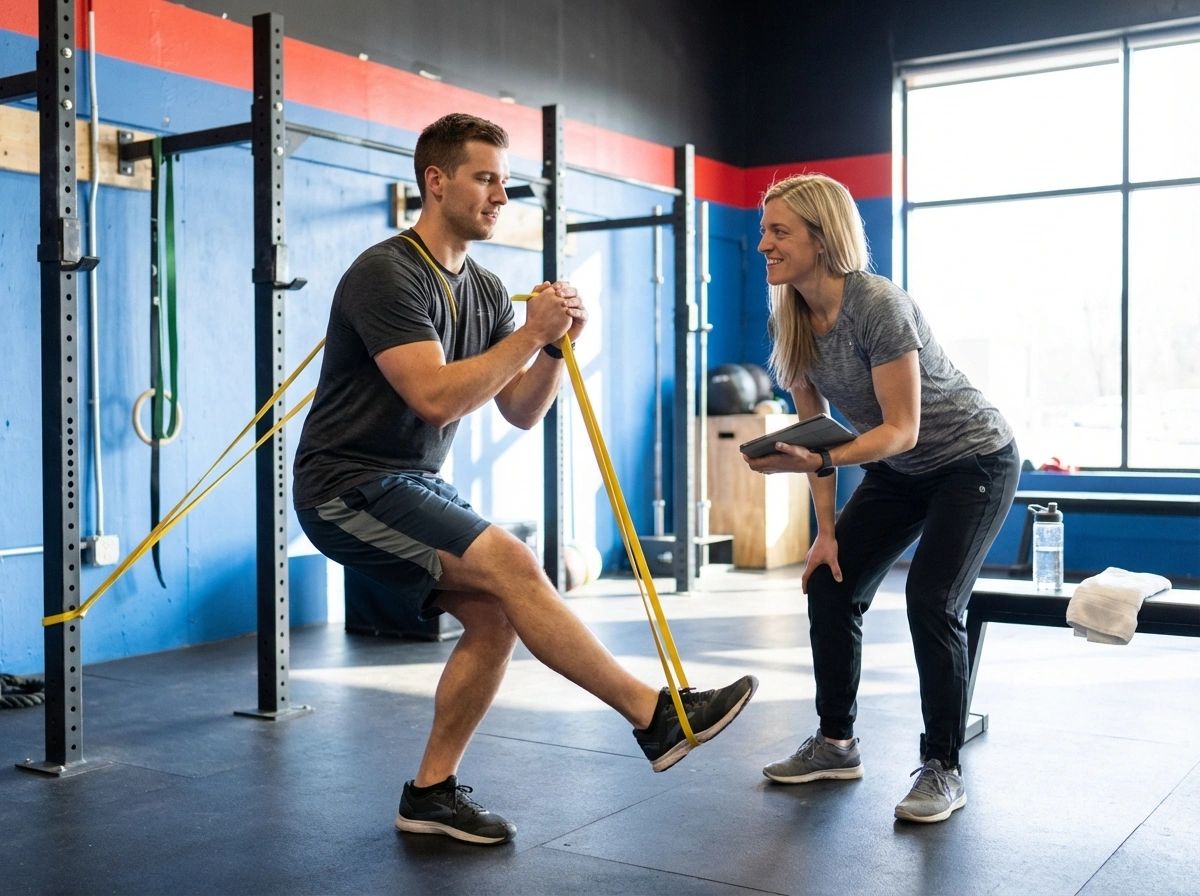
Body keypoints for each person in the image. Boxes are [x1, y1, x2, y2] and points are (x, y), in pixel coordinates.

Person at [292, 113, 756, 846]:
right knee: (513, 561)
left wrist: (553, 350)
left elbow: (518, 413)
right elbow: (436, 396)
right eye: (484, 178)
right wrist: (530, 333)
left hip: (411, 482)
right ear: (435, 181)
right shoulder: (387, 273)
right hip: (344, 486)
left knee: (496, 612)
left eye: (504, 182)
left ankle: (431, 792)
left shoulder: (480, 289)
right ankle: (655, 714)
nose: (500, 196)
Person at [745, 173, 1019, 823]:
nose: (763, 245)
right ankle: (836, 742)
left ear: (822, 237)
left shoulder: (878, 305)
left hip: (971, 460)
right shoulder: (791, 317)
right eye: (763, 231)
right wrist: (826, 533)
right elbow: (817, 435)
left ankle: (942, 766)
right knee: (831, 582)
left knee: (930, 598)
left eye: (779, 232)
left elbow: (903, 428)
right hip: (900, 469)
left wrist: (823, 459)